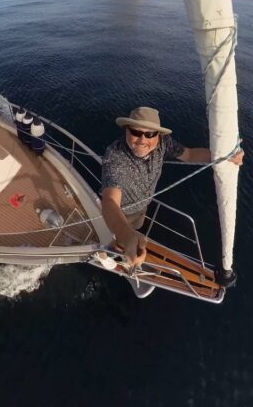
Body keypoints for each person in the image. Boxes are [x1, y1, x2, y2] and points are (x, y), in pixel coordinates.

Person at [100, 106, 244, 285]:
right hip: (120, 214)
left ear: (158, 135)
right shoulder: (116, 157)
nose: (142, 140)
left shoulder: (163, 144)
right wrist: (126, 234)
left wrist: (225, 156)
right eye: (136, 132)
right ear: (126, 130)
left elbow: (189, 155)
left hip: (142, 207)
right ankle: (108, 254)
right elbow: (110, 201)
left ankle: (126, 244)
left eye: (150, 134)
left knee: (137, 227)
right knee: (114, 241)